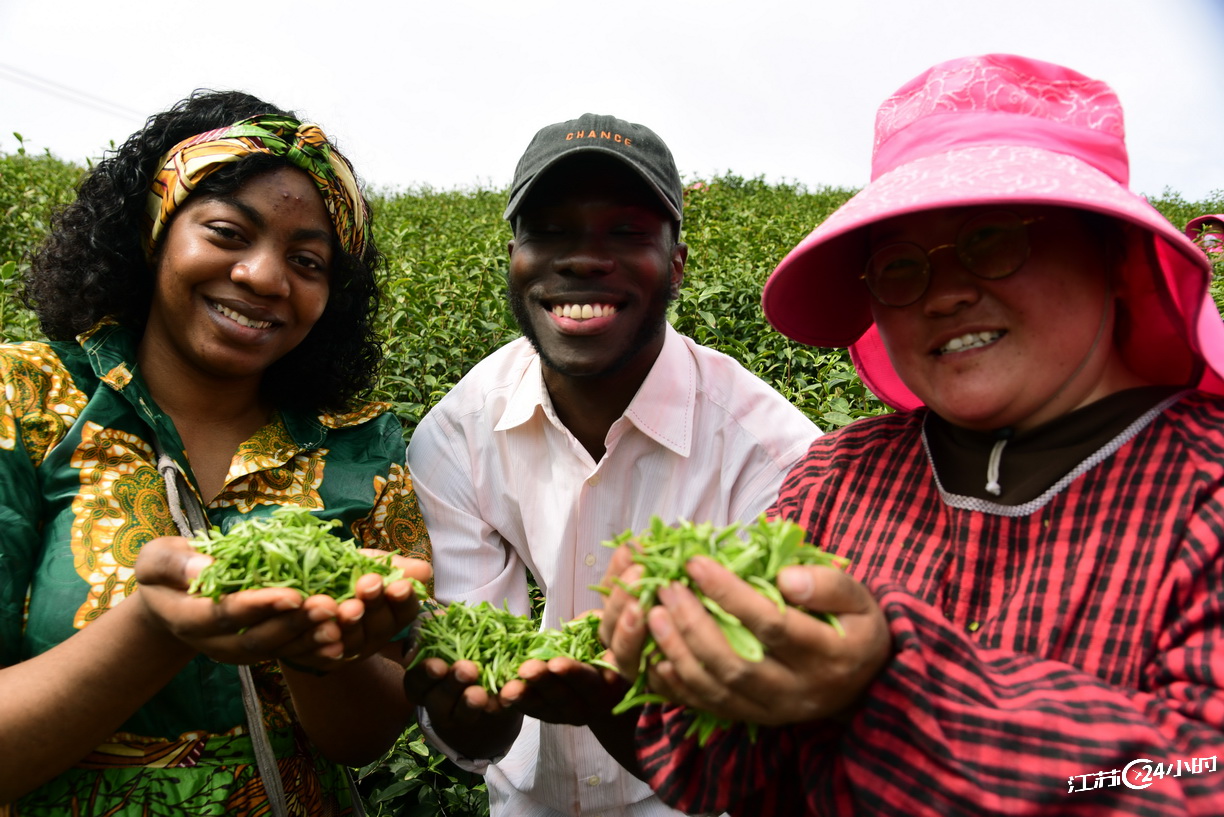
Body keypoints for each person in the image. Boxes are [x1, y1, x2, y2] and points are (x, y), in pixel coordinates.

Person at [599, 54, 1224, 815]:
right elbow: (729, 781)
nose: (947, 292)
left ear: (1116, 256)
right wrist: (675, 676)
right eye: (900, 266)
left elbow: (1197, 779)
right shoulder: (840, 477)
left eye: (992, 238)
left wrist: (888, 682)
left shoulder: (1206, 491)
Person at [0, 90, 432, 815]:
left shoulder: (357, 444)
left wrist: (317, 643)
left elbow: (365, 738)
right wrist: (154, 625)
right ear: (157, 230)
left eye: (307, 261)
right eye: (229, 232)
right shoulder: (28, 398)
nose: (265, 276)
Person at [403, 113, 821, 816]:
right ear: (514, 256)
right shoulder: (458, 434)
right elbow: (475, 682)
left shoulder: (772, 453)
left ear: (677, 264)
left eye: (626, 233)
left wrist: (622, 707)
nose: (585, 260)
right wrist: (471, 706)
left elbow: (773, 725)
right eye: (552, 231)